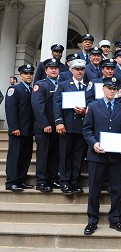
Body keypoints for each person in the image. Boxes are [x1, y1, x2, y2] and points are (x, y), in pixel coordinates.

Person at [82, 77, 121, 235]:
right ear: (103, 89)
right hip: (97, 155)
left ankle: (115, 219)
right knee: (94, 189)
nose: (111, 91)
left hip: (116, 156)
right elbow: (87, 130)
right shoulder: (93, 106)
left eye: (114, 88)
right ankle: (92, 220)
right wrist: (93, 143)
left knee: (116, 189)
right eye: (109, 88)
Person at [54, 59, 92, 195]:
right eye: (77, 69)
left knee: (78, 156)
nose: (80, 72)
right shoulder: (63, 85)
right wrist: (59, 122)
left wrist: (85, 110)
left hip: (81, 127)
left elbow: (91, 104)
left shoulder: (87, 87)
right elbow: (57, 104)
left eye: (82, 69)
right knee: (65, 155)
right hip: (67, 126)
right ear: (72, 70)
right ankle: (64, 181)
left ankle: (75, 181)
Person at [31, 58, 61, 192]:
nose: (54, 70)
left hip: (57, 127)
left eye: (56, 68)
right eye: (51, 68)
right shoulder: (41, 85)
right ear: (46, 70)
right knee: (43, 155)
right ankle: (41, 181)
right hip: (44, 127)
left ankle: (52, 179)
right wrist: (44, 124)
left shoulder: (61, 84)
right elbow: (38, 107)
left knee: (54, 154)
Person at [5, 64, 35, 192]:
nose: (29, 75)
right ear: (21, 75)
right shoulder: (14, 89)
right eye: (26, 73)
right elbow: (10, 110)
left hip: (28, 130)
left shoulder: (32, 89)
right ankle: (11, 182)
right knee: (14, 156)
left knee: (25, 156)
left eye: (31, 73)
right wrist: (13, 127)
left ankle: (21, 180)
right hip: (18, 130)